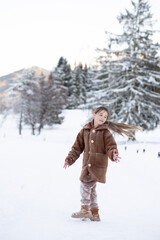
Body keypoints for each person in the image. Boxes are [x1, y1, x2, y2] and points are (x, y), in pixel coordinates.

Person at [63, 106, 142, 221]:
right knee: (92, 189)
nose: (103, 118)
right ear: (94, 114)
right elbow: (77, 147)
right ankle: (95, 213)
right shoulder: (85, 130)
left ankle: (85, 209)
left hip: (98, 165)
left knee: (85, 184)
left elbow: (111, 146)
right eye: (101, 115)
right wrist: (69, 159)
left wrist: (113, 153)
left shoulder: (106, 133)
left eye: (105, 116)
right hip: (87, 165)